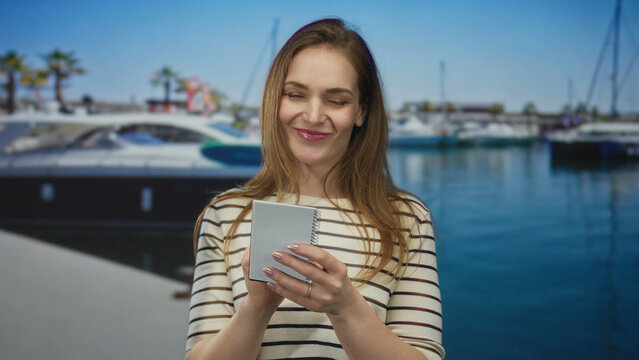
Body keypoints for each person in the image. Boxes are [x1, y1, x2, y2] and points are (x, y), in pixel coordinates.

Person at [185, 18, 444, 360]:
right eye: (296, 95)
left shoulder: (407, 219)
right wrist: (257, 308)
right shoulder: (225, 214)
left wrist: (345, 306)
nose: (313, 114)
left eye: (336, 101)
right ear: (276, 101)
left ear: (361, 111)